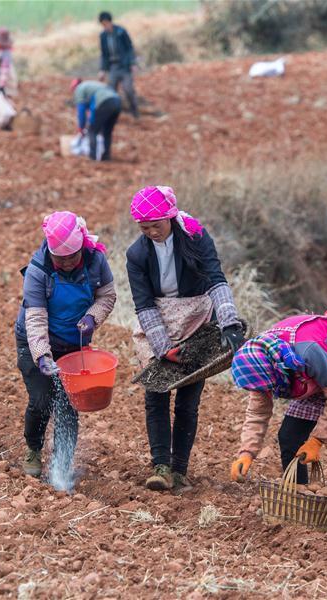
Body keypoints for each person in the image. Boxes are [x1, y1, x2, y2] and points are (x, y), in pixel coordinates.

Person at [126, 185, 246, 494]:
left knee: (188, 402)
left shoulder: (195, 238)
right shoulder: (136, 254)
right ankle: (160, 467)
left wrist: (230, 322)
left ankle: (179, 470)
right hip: (159, 325)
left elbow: (216, 280)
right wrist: (164, 348)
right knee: (155, 396)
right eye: (145, 227)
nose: (152, 231)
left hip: (195, 322)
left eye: (157, 224)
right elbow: (145, 305)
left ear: (171, 217)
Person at [229, 313, 327, 540]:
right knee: (289, 437)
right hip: (311, 374)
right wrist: (246, 452)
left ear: (274, 371)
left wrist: (317, 441)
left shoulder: (306, 352)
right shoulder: (261, 363)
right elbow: (258, 411)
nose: (264, 391)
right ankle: (298, 505)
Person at [15, 211, 117, 481]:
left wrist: (92, 317)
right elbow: (35, 316)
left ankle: (62, 465)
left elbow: (107, 295)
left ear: (82, 248)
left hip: (73, 343)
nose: (68, 263)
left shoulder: (96, 261)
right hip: (35, 340)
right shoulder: (38, 270)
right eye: (61, 259)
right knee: (41, 400)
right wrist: (42, 355)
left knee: (69, 404)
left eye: (73, 257)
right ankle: (34, 450)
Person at [98, 11, 139, 118]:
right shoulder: (103, 36)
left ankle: (135, 112)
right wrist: (102, 69)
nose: (105, 26)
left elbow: (129, 48)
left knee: (128, 89)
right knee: (111, 91)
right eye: (103, 24)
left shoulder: (121, 32)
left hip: (124, 66)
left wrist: (133, 63)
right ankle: (113, 114)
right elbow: (104, 54)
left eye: (106, 23)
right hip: (113, 67)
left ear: (109, 22)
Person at [71, 78, 122, 161]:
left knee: (92, 131)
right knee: (107, 131)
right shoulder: (92, 86)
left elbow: (81, 110)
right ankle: (106, 156)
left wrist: (81, 127)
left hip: (104, 102)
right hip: (117, 102)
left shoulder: (79, 89)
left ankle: (92, 156)